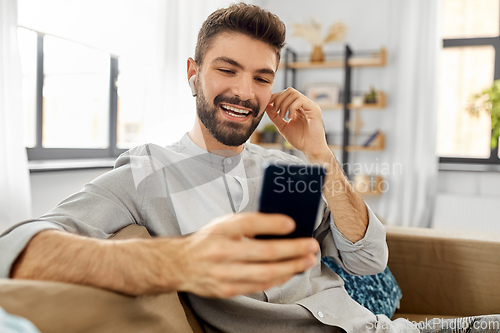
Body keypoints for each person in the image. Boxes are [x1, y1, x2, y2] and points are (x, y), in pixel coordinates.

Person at [0, 3, 498, 333]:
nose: (245, 92)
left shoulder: (285, 169)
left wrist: (321, 156)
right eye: (227, 69)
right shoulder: (145, 173)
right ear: (193, 73)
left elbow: (367, 260)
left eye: (262, 77)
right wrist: (178, 262)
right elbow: (12, 247)